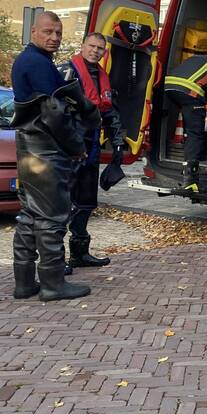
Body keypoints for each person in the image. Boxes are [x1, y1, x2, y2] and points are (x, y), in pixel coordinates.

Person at [10, 12, 98, 302]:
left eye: (58, 33)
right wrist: (76, 146)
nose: (54, 38)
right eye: (48, 32)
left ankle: (24, 282)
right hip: (46, 148)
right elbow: (55, 113)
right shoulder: (39, 63)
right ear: (34, 31)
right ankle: (53, 283)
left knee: (29, 215)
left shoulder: (29, 60)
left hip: (28, 146)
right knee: (52, 216)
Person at [59, 32, 125, 270]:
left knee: (86, 202)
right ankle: (57, 258)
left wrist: (118, 144)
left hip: (92, 147)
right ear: (82, 46)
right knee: (63, 203)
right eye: (92, 46)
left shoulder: (102, 76)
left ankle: (79, 253)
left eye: (100, 48)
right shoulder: (67, 72)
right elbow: (56, 111)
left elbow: (110, 113)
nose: (95, 51)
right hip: (70, 148)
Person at [162, 49, 207, 191]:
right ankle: (191, 180)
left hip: (169, 87)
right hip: (190, 91)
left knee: (189, 127)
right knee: (196, 133)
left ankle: (184, 165)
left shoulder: (196, 58)